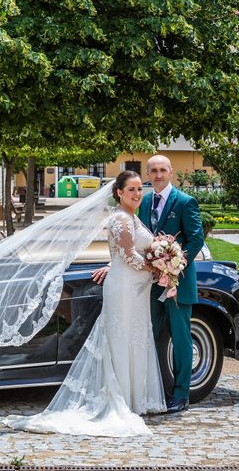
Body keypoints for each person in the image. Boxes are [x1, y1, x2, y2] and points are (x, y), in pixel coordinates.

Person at [3, 171, 166, 436]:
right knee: (121, 338)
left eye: (140, 189)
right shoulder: (120, 219)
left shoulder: (132, 217)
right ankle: (121, 397)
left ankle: (135, 398)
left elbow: (131, 254)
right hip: (125, 288)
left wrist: (159, 262)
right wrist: (157, 268)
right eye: (132, 190)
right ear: (119, 193)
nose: (137, 194)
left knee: (135, 338)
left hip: (135, 289)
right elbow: (129, 257)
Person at [93, 156, 204, 414]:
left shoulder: (186, 202)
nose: (157, 175)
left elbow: (195, 240)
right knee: (147, 337)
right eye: (153, 170)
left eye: (162, 170)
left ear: (171, 172)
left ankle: (181, 394)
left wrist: (173, 266)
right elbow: (130, 243)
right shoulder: (141, 202)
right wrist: (113, 264)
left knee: (181, 337)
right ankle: (151, 391)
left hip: (178, 282)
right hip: (148, 286)